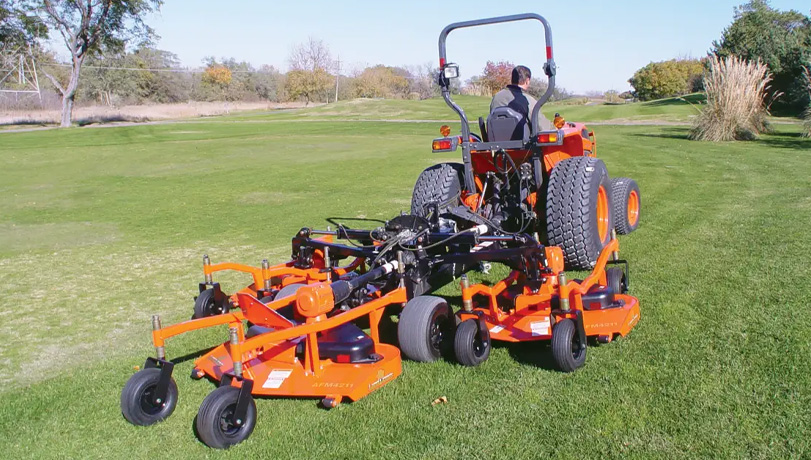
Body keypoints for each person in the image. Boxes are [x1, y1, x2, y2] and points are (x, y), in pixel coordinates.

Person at [490, 65, 553, 131]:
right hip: (522, 141)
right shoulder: (528, 101)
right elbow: (543, 127)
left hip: (495, 140)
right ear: (527, 81)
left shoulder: (496, 98)